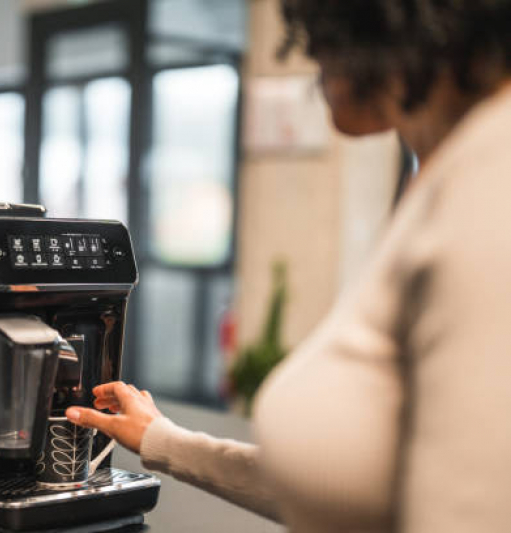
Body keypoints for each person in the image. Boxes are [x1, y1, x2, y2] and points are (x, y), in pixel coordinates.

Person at [65, 1, 511, 531]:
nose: (309, 55)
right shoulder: (450, 174)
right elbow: (369, 485)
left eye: (313, 31)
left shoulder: (491, 181)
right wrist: (165, 441)